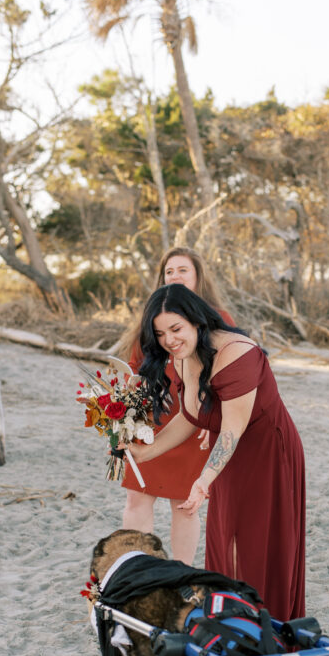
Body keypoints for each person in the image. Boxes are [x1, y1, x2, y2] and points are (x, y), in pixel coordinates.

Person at [125, 282, 306, 622]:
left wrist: (202, 480)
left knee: (255, 545)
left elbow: (232, 429)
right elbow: (189, 417)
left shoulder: (237, 353)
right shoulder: (181, 358)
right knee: (227, 543)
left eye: (176, 328)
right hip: (228, 460)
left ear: (196, 320)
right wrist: (144, 453)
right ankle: (234, 625)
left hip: (267, 455)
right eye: (160, 333)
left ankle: (267, 626)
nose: (169, 340)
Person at [117, 246, 234, 564]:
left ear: (198, 277)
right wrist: (128, 418)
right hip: (151, 419)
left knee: (185, 503)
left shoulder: (218, 320)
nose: (176, 276)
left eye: (183, 270)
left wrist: (215, 422)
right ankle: (137, 569)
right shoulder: (153, 317)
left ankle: (181, 572)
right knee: (137, 497)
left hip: (195, 422)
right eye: (169, 271)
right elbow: (135, 372)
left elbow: (229, 379)